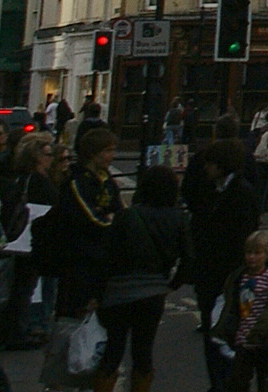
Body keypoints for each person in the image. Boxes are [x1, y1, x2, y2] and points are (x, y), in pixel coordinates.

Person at [92, 162, 189, 392]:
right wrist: (172, 284)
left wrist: (98, 291)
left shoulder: (126, 216)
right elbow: (189, 259)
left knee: (112, 351)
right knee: (143, 352)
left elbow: (107, 255)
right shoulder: (178, 219)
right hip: (153, 292)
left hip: (118, 292)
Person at [187, 138, 263, 392]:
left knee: (231, 335)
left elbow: (243, 236)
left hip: (231, 278)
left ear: (222, 165)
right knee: (212, 335)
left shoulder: (240, 193)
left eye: (210, 163)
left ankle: (230, 384)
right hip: (209, 276)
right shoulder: (211, 190)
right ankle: (218, 383)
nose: (205, 168)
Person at [50, 125, 123, 322]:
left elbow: (119, 211)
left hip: (102, 255)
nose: (112, 156)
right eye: (107, 151)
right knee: (74, 312)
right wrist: (110, 222)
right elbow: (89, 217)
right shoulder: (77, 181)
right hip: (79, 257)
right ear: (93, 153)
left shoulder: (107, 181)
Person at [1, 133, 61, 348]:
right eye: (48, 154)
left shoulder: (22, 179)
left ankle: (17, 330)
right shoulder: (37, 181)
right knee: (24, 288)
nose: (51, 159)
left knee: (21, 288)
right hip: (31, 239)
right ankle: (17, 332)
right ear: (36, 157)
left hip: (21, 239)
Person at [216, 229, 268, 392]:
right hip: (243, 338)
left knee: (265, 379)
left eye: (257, 253)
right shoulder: (240, 277)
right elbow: (232, 306)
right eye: (249, 253)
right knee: (238, 381)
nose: (252, 257)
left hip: (265, 339)